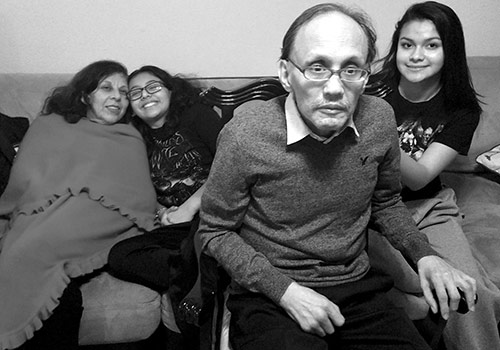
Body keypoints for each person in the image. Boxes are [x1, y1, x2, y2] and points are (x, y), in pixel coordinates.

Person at [197, 3, 478, 350]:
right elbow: (215, 230)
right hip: (271, 293)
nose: (333, 88)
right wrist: (285, 292)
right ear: (286, 74)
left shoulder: (378, 119)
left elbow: (386, 201)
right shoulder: (246, 134)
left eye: (350, 69)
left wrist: (426, 255)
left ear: (366, 75)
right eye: (317, 67)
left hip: (356, 286)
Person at [368, 2, 500, 349]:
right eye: (407, 44)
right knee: (414, 285)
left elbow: (420, 175)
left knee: (468, 291)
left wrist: (378, 130)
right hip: (368, 208)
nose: (415, 55)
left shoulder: (462, 109)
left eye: (431, 45)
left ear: (449, 50)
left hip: (426, 204)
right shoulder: (369, 90)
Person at [0, 60, 157, 350]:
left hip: (100, 216)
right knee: (22, 247)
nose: (117, 98)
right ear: (86, 94)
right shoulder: (50, 125)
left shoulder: (129, 137)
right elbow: (28, 178)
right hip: (45, 209)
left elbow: (139, 196)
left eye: (124, 93)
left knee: (33, 248)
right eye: (107, 88)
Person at [107, 65, 223, 349]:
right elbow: (137, 185)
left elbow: (230, 163)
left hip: (211, 216)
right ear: (131, 105)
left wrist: (190, 207)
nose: (145, 95)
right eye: (135, 93)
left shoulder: (197, 115)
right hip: (175, 226)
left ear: (171, 90)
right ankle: (202, 274)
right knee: (121, 255)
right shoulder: (134, 135)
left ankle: (198, 285)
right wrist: (161, 211)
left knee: (196, 243)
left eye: (153, 87)